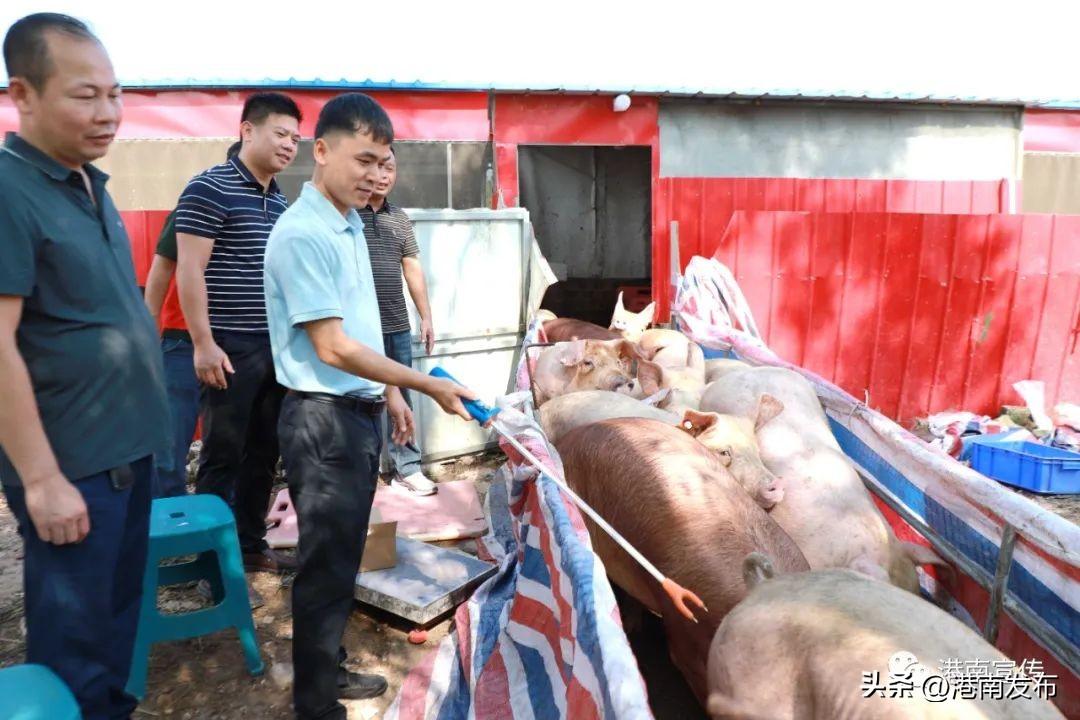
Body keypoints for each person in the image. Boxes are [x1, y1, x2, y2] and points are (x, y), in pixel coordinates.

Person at [264, 92, 475, 720]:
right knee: (324, 567)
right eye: (364, 159)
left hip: (355, 413)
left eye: (385, 161)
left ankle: (327, 670)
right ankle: (315, 704)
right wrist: (426, 383)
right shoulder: (303, 233)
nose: (377, 174)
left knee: (342, 554)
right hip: (321, 421)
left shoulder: (354, 222)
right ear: (320, 151)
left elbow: (364, 324)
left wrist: (391, 395)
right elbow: (331, 345)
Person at [0, 13, 169, 719]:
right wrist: (40, 478)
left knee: (117, 624)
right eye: (84, 95)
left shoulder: (86, 183)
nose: (107, 113)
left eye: (115, 93)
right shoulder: (10, 190)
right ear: (23, 95)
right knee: (73, 641)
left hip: (129, 456)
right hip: (74, 471)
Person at [175, 93, 301, 572]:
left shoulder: (280, 199)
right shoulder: (210, 188)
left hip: (274, 345)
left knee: (265, 450)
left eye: (295, 137)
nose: (290, 145)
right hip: (229, 344)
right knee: (223, 451)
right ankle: (209, 559)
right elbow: (190, 269)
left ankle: (249, 546)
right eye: (280, 134)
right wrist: (204, 344)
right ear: (247, 130)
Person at [144, 141, 242, 498]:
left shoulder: (269, 209)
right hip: (182, 342)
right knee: (168, 449)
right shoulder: (200, 202)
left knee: (228, 447)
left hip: (235, 345)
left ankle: (214, 528)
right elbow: (162, 267)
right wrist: (146, 332)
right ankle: (167, 533)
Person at [359, 148, 439, 495]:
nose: (383, 175)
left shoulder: (400, 218)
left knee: (401, 394)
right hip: (359, 329)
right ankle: (365, 471)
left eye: (390, 167)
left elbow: (412, 267)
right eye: (377, 166)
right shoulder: (346, 214)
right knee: (364, 397)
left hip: (396, 325)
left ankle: (407, 467)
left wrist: (426, 315)